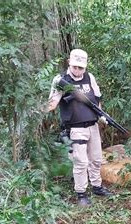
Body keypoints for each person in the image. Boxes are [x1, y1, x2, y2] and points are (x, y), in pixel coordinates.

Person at [47, 49, 112, 206]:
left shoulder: (90, 78)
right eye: (75, 66)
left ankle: (97, 186)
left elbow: (97, 100)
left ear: (85, 66)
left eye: (80, 67)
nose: (77, 70)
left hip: (92, 126)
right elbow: (52, 104)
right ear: (69, 62)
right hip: (75, 128)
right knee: (81, 162)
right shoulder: (61, 79)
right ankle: (81, 193)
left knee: (96, 159)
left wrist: (101, 116)